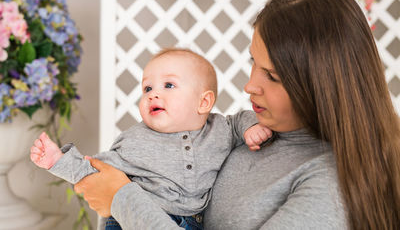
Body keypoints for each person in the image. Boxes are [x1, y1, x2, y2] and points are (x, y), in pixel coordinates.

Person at [71, 0, 400, 230]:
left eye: (271, 75)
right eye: (253, 62)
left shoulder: (332, 183)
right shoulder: (246, 134)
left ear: (320, 84)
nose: (249, 85)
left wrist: (121, 198)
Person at [30, 48, 272, 230]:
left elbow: (241, 119)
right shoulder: (135, 141)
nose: (153, 94)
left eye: (168, 85)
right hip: (130, 220)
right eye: (147, 89)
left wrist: (251, 128)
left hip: (194, 223)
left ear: (204, 102)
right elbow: (95, 171)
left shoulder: (222, 128)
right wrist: (57, 161)